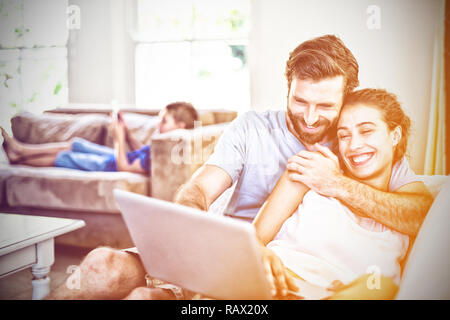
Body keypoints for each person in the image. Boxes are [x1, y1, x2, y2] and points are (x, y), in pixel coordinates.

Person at [45, 34, 433, 300]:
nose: (311, 117)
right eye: (300, 101)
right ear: (288, 87)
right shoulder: (252, 128)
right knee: (100, 266)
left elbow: (419, 213)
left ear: (345, 99)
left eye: (326, 106)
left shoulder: (356, 148)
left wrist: (336, 184)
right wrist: (186, 225)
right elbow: (198, 190)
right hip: (218, 247)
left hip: (260, 271)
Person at [1, 102, 198, 175]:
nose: (158, 124)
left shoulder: (169, 153)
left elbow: (126, 167)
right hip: (116, 158)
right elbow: (140, 151)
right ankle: (22, 150)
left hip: (111, 165)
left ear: (179, 127)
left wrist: (119, 139)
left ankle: (19, 157)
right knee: (76, 144)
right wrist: (127, 133)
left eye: (164, 121)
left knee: (65, 157)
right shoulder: (162, 144)